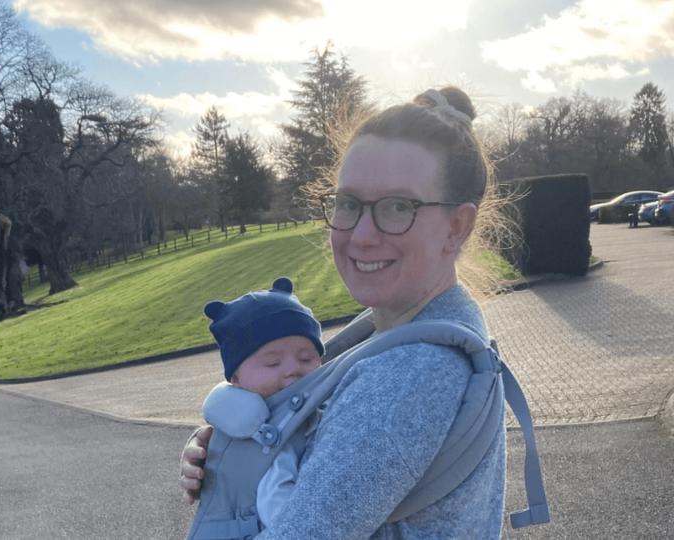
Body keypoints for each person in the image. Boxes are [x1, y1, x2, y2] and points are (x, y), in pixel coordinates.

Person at [181, 87, 515, 538]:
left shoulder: (406, 371)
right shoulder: (413, 326)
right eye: (349, 204)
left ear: (456, 226)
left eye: (398, 207)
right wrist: (235, 459)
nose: (360, 235)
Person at [201, 276, 324, 527]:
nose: (292, 369)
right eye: (273, 363)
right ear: (236, 378)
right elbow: (278, 506)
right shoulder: (268, 430)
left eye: (306, 358)